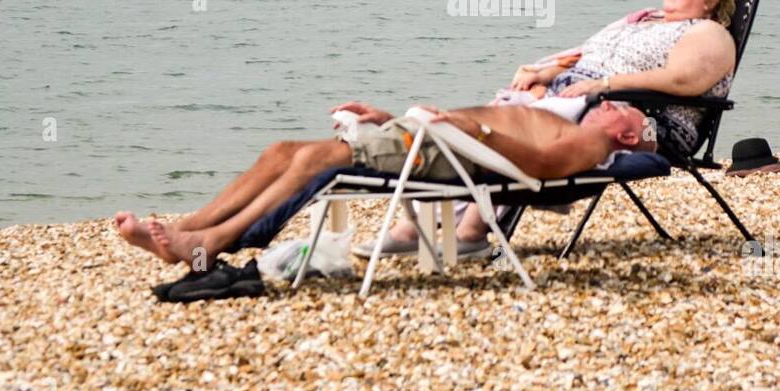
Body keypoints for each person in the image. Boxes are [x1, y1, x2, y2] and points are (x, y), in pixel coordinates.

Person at [359, 0, 740, 256]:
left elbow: (682, 80)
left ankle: (470, 229)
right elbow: (585, 51)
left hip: (644, 120)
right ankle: (421, 222)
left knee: (505, 133)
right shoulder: (643, 19)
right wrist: (546, 70)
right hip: (584, 96)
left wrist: (603, 85)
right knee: (485, 126)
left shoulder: (709, 33)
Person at [115, 99, 656, 269]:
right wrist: (388, 117)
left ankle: (211, 243)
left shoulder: (595, 144)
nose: (606, 105)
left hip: (455, 154)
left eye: (619, 110)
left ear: (628, 136)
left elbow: (538, 167)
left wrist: (476, 130)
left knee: (314, 160)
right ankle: (190, 227)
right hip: (436, 139)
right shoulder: (575, 119)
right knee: (282, 151)